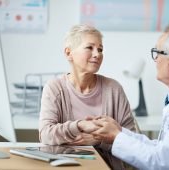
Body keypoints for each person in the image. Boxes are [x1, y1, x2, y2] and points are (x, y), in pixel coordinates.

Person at [88, 22, 169, 169]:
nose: (155, 59)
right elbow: (162, 148)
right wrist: (119, 131)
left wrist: (116, 137)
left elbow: (162, 161)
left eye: (157, 53)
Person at [39, 24, 140, 170]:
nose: (97, 54)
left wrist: (98, 140)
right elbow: (46, 135)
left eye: (100, 49)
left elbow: (131, 141)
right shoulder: (54, 88)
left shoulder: (113, 89)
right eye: (89, 47)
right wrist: (79, 125)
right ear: (69, 53)